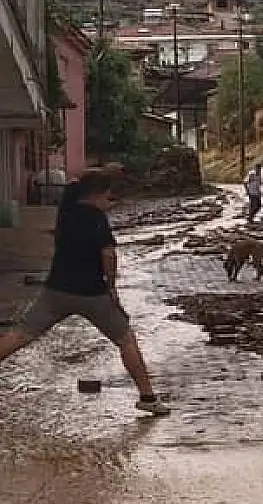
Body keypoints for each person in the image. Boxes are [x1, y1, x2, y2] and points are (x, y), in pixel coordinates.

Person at [0, 170, 170, 416]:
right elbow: (108, 254)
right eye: (109, 196)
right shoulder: (96, 217)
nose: (111, 201)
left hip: (55, 290)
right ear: (100, 194)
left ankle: (148, 397)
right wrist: (111, 285)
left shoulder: (66, 212)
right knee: (126, 340)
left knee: (20, 334)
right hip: (93, 295)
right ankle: (147, 397)